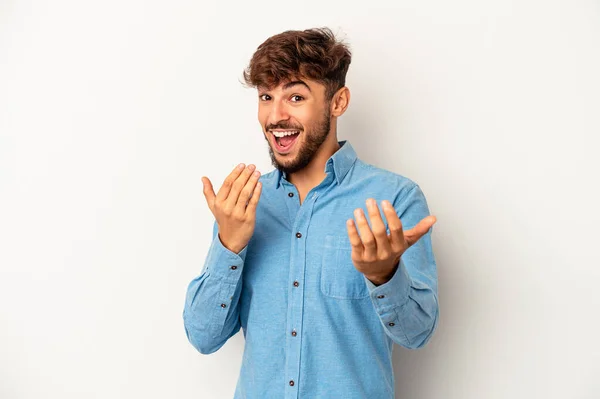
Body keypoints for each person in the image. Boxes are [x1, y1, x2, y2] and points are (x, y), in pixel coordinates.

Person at [183, 27, 439, 399]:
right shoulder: (243, 205)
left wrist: (385, 276)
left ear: (338, 102)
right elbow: (203, 336)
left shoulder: (395, 199)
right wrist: (229, 244)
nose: (275, 115)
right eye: (266, 96)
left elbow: (418, 333)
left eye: (296, 96)